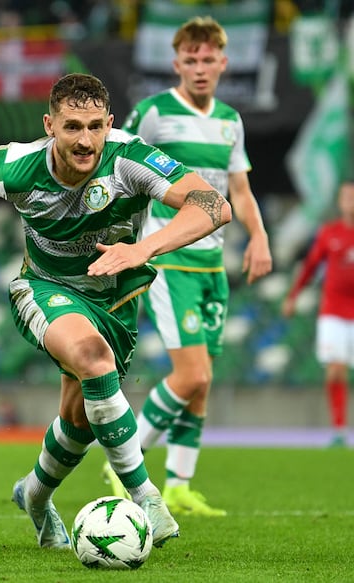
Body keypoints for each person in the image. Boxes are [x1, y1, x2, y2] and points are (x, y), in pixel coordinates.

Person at [0, 72, 231, 549]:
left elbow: (213, 204)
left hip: (114, 299)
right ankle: (146, 498)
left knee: (80, 420)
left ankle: (34, 496)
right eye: (73, 126)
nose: (85, 140)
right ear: (49, 125)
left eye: (96, 126)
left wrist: (146, 249)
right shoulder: (15, 165)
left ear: (110, 124)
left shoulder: (129, 160)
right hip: (44, 287)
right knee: (93, 360)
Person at [102, 16, 273, 517]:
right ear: (176, 64)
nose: (199, 68)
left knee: (203, 381)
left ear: (223, 63)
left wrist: (259, 234)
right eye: (190, 60)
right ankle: (123, 463)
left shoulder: (230, 122)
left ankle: (179, 484)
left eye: (208, 59)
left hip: (212, 265)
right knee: (191, 375)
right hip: (170, 259)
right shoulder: (154, 113)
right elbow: (121, 161)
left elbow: (238, 189)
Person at [282, 181, 354, 448]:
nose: (350, 202)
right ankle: (339, 429)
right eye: (347, 197)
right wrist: (292, 297)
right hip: (333, 311)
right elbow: (310, 266)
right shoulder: (329, 232)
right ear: (340, 201)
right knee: (336, 370)